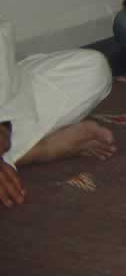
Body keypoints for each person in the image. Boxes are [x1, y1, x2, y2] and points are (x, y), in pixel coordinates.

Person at [1, 16, 115, 208]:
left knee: (92, 69)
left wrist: (3, 127)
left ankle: (14, 153)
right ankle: (37, 150)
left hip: (10, 94)